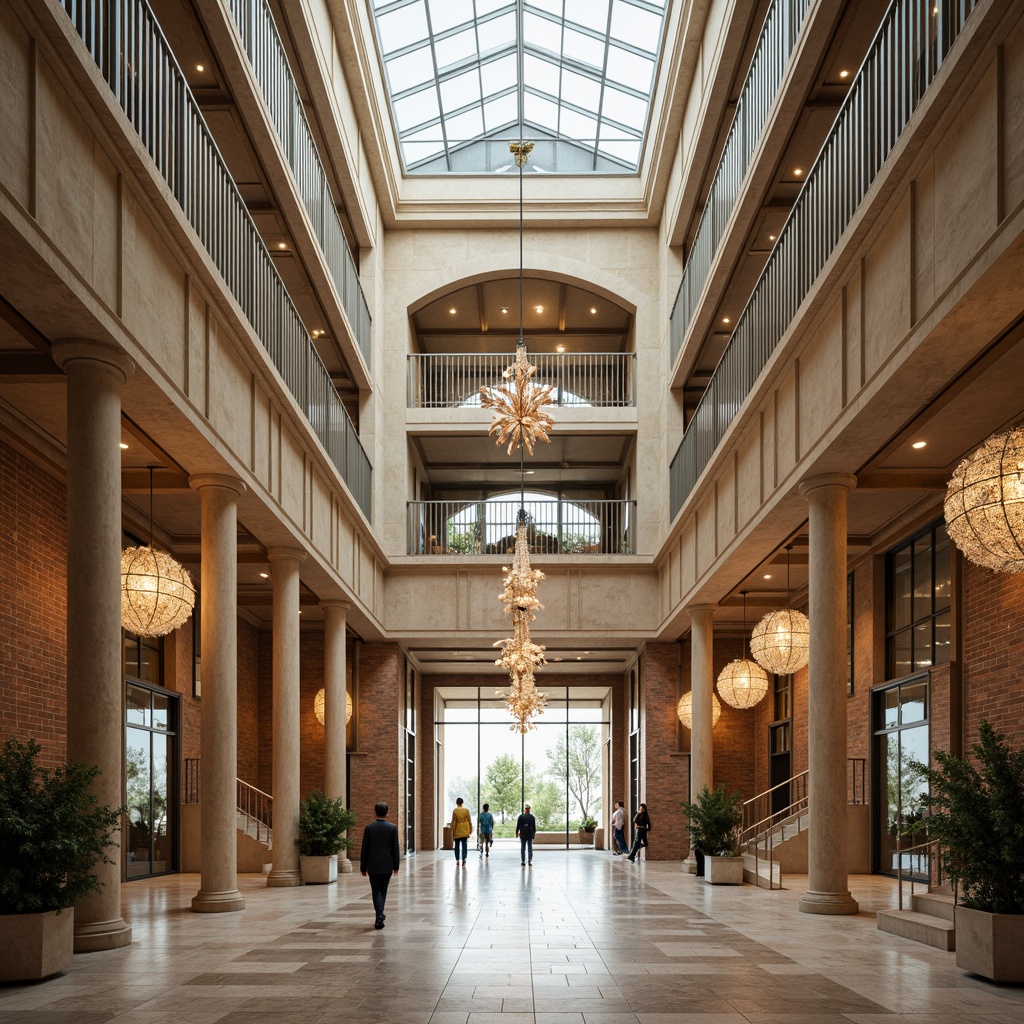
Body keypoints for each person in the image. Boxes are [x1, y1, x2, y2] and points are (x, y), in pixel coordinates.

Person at [360, 801, 400, 929]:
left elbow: (364, 849)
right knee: (383, 891)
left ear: (374, 812)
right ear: (387, 812)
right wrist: (396, 866)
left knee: (375, 891)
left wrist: (363, 867)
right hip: (387, 864)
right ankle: (379, 916)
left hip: (373, 865)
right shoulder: (392, 828)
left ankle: (379, 915)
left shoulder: (369, 828)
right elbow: (395, 848)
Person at [450, 796, 472, 866]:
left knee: (457, 845)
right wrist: (470, 830)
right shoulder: (466, 810)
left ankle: (457, 860)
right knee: (464, 845)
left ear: (456, 803)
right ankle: (464, 859)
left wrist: (451, 830)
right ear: (462, 802)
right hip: (465, 830)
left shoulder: (455, 810)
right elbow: (469, 821)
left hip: (457, 830)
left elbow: (453, 821)